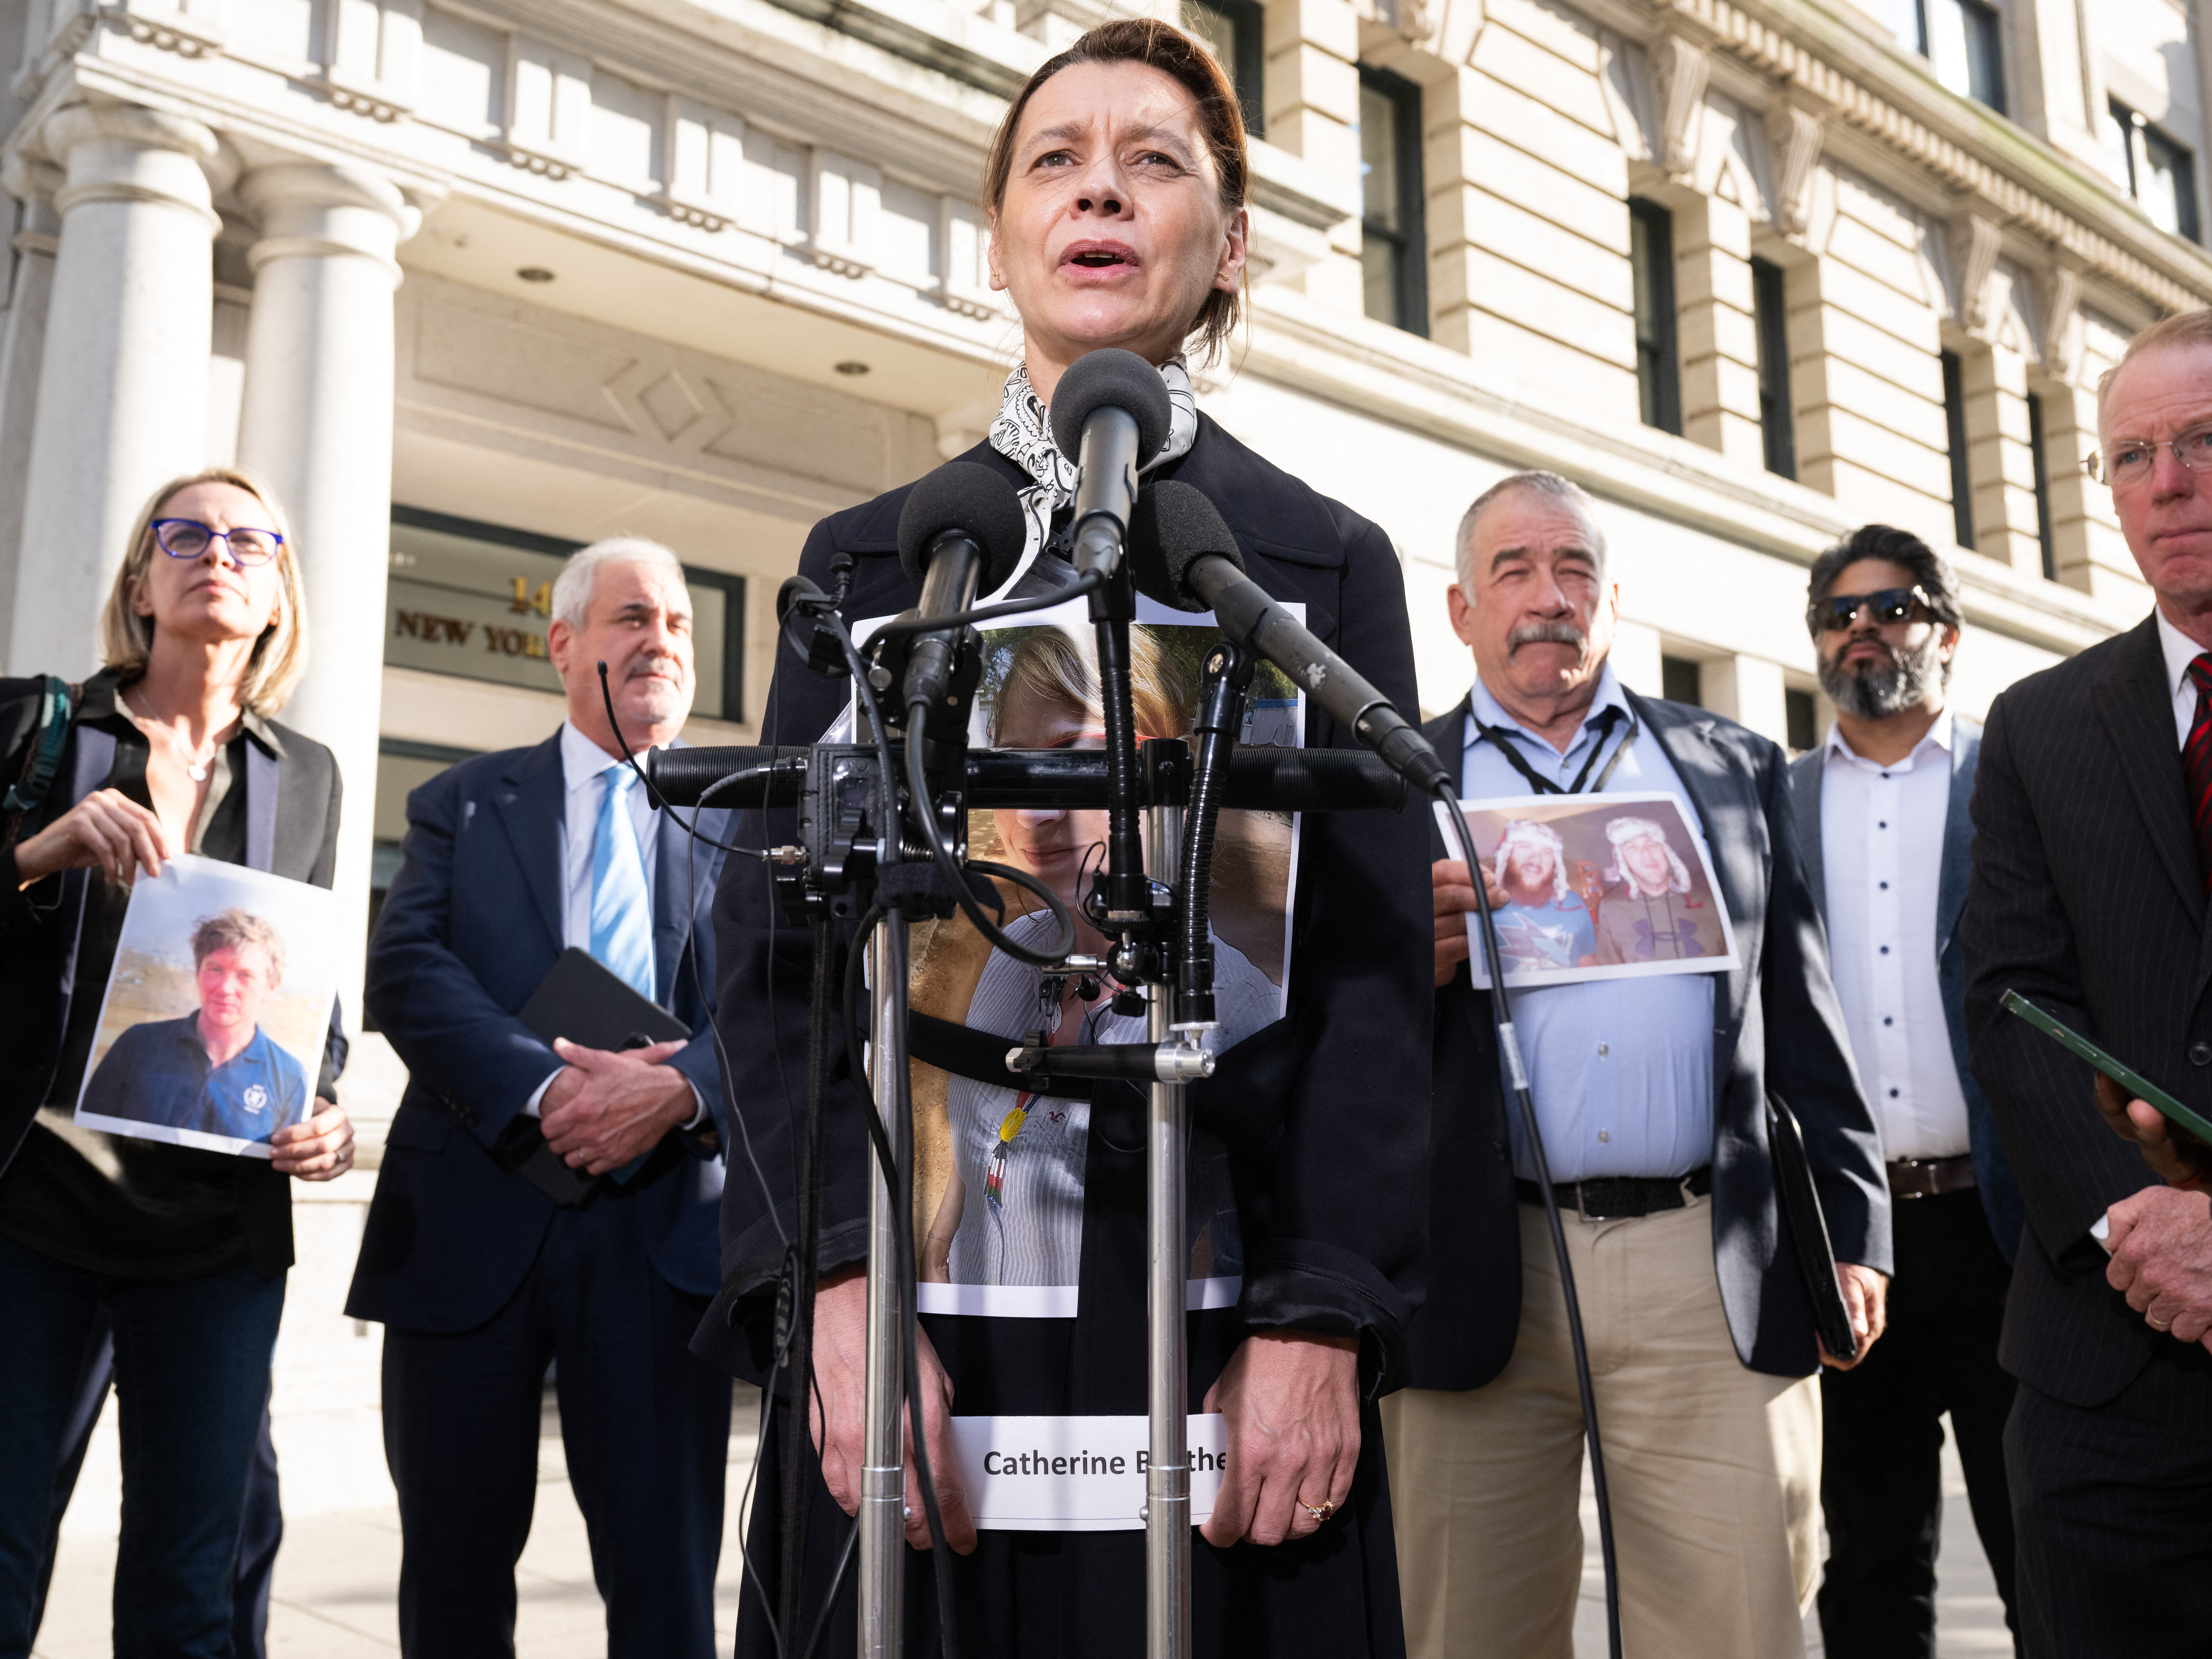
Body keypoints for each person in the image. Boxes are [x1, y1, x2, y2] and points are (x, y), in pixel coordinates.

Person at [696, 19, 1433, 1657]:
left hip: (1221, 1328)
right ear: (1004, 235)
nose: (1099, 190)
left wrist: (1321, 1312)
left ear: (1228, 246)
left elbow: (1377, 985)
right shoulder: (879, 560)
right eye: (1057, 160)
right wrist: (827, 1287)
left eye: (1152, 161)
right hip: (922, 1323)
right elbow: (775, 966)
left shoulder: (1321, 568)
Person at [1385, 469, 1890, 1659]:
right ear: (1460, 611)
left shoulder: (1726, 762)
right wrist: (1405, 957)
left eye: (1571, 571)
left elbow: (1801, 1008)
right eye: (1511, 571)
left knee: (1737, 1623)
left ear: (1612, 600)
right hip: (1473, 1256)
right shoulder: (1389, 779)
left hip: (1706, 1258)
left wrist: (1854, 1229)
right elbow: (1322, 1033)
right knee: (1461, 1629)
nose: (1544, 598)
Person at [347, 537, 736, 1659]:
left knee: (665, 1591)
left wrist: (677, 1095)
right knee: (455, 1582)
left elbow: (783, 1009)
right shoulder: (461, 805)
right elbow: (408, 972)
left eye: (678, 624)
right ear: (565, 645)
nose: (660, 639)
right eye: (631, 619)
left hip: (665, 1242)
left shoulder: (744, 816)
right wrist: (552, 1087)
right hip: (472, 1228)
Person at [0, 467, 354, 1658]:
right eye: (186, 535)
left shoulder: (305, 775)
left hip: (213, 1241)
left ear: (276, 598)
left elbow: (308, 993)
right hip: (31, 1214)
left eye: (251, 543)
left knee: (188, 1585)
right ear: (141, 585)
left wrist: (328, 1113)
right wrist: (34, 854)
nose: (219, 555)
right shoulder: (34, 725)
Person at [1963, 307, 2212, 1656]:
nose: (2165, 483)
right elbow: (2009, 1004)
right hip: (2105, 1372)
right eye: (2130, 456)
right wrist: (2141, 1223)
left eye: (2199, 442)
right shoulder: (2042, 726)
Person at [1788, 526, 2024, 1655]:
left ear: (1947, 632)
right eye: (1839, 613)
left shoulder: (2015, 780)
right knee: (1870, 1564)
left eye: (1891, 605)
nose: (1861, 628)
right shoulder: (1771, 803)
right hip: (1846, 1243)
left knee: (2050, 1546)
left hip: (2007, 1232)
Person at [918, 625, 1277, 1288]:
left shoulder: (1234, 1000)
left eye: (1072, 761)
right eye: (1009, 764)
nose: (1032, 812)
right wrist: (934, 1266)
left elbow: (1234, 1240)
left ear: (1165, 775)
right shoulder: (1010, 956)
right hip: (977, 1356)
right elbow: (977, 1149)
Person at [82, 910, 312, 1143]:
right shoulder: (137, 1044)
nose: (226, 988)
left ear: (271, 986)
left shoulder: (290, 1077)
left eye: (245, 975)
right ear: (197, 972)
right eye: (216, 969)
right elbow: (88, 1140)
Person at [1589, 813, 1719, 964]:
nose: (1646, 853)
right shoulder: (1612, 908)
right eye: (1631, 847)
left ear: (1666, 853)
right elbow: (1608, 968)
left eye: (1652, 844)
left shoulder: (1711, 901)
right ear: (1622, 861)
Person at [1484, 819, 1595, 974]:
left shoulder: (1574, 903)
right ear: (1506, 854)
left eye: (1547, 852)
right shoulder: (1482, 904)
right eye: (1525, 846)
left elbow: (1586, 960)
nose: (1536, 860)